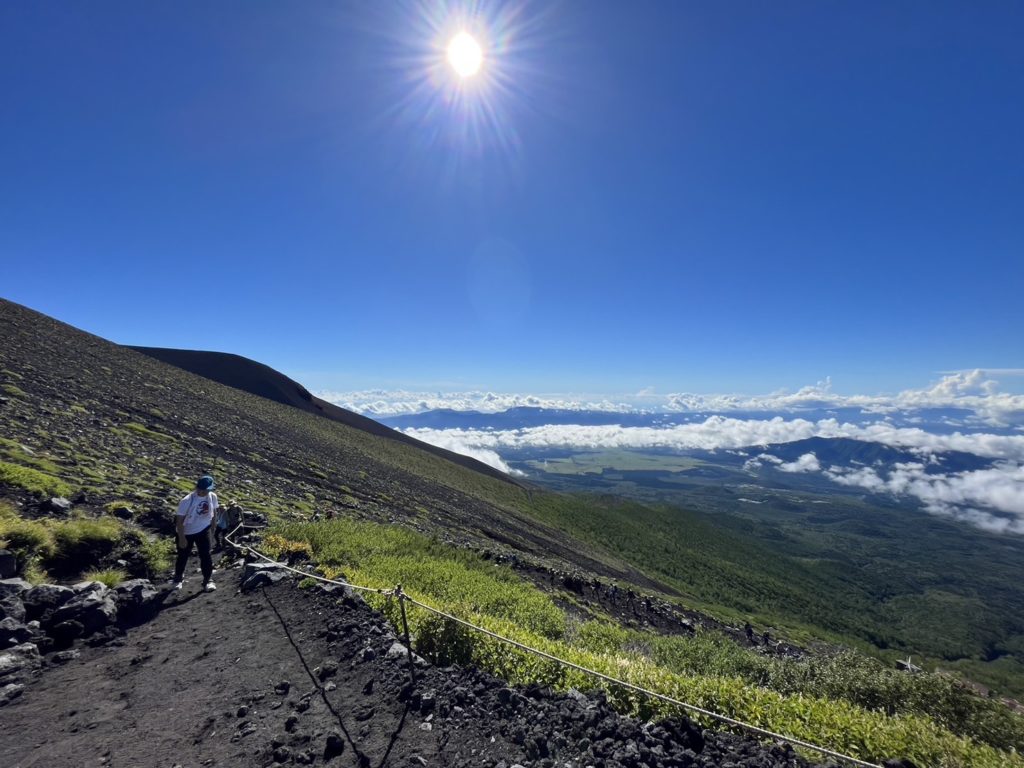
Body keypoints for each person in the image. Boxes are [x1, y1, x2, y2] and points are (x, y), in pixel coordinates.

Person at [172, 475, 219, 592]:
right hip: (186, 532)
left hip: (204, 529)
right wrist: (182, 538)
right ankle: (178, 578)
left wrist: (213, 528)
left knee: (206, 555)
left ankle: (208, 580)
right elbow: (179, 521)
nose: (204, 492)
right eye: (202, 489)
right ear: (197, 487)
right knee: (183, 555)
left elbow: (214, 511)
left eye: (207, 490)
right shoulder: (187, 501)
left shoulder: (212, 497)